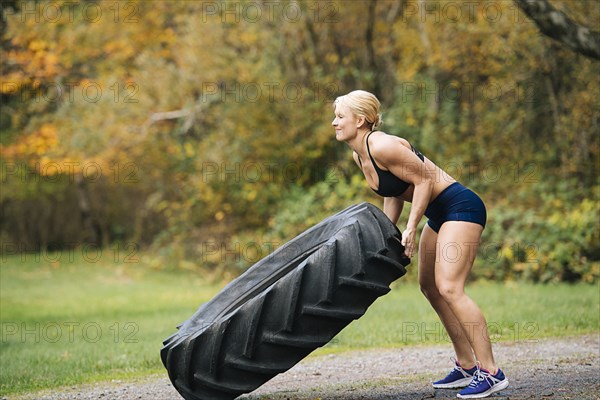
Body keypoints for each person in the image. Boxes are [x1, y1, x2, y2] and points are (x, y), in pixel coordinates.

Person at [332, 90, 509, 399]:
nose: (334, 122)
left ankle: (492, 372)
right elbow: (394, 191)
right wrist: (389, 233)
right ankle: (467, 365)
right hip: (439, 213)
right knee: (429, 285)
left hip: (461, 208)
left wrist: (411, 227)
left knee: (450, 287)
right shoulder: (360, 154)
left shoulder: (382, 145)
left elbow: (425, 180)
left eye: (340, 116)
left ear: (360, 121)